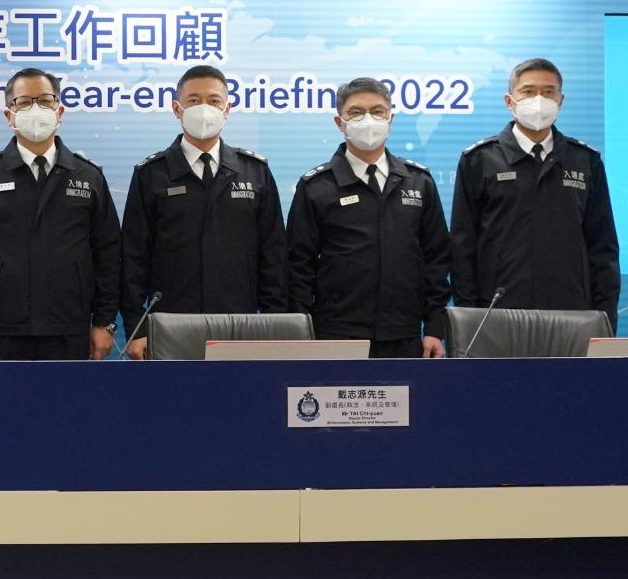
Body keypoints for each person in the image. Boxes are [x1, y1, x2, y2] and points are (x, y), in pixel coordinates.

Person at [0, 67, 122, 360]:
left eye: (44, 100)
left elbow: (108, 254)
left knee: (67, 406)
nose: (35, 109)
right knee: (1, 406)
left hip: (69, 326)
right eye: (24, 102)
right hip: (0, 328)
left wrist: (104, 321)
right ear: (9, 115)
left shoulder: (88, 176)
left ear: (60, 111)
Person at [121, 64, 287, 359]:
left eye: (213, 101)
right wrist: (138, 326)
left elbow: (273, 256)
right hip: (170, 324)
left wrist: (274, 324)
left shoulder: (255, 171)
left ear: (227, 108)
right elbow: (134, 257)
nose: (204, 109)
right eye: (194, 101)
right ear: (176, 108)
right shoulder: (151, 174)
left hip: (241, 324)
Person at [286, 77, 452, 358]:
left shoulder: (418, 182)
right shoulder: (316, 187)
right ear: (339, 122)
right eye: (356, 112)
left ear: (390, 118)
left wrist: (435, 327)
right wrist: (303, 334)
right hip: (335, 333)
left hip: (405, 333)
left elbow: (436, 259)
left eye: (377, 111)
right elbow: (296, 267)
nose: (368, 120)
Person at [451, 57, 619, 331]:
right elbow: (462, 247)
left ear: (560, 101)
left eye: (548, 91)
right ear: (509, 101)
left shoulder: (585, 161)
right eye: (528, 91)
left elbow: (603, 247)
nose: (539, 99)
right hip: (496, 316)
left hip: (573, 315)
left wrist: (604, 319)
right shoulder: (479, 161)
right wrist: (471, 317)